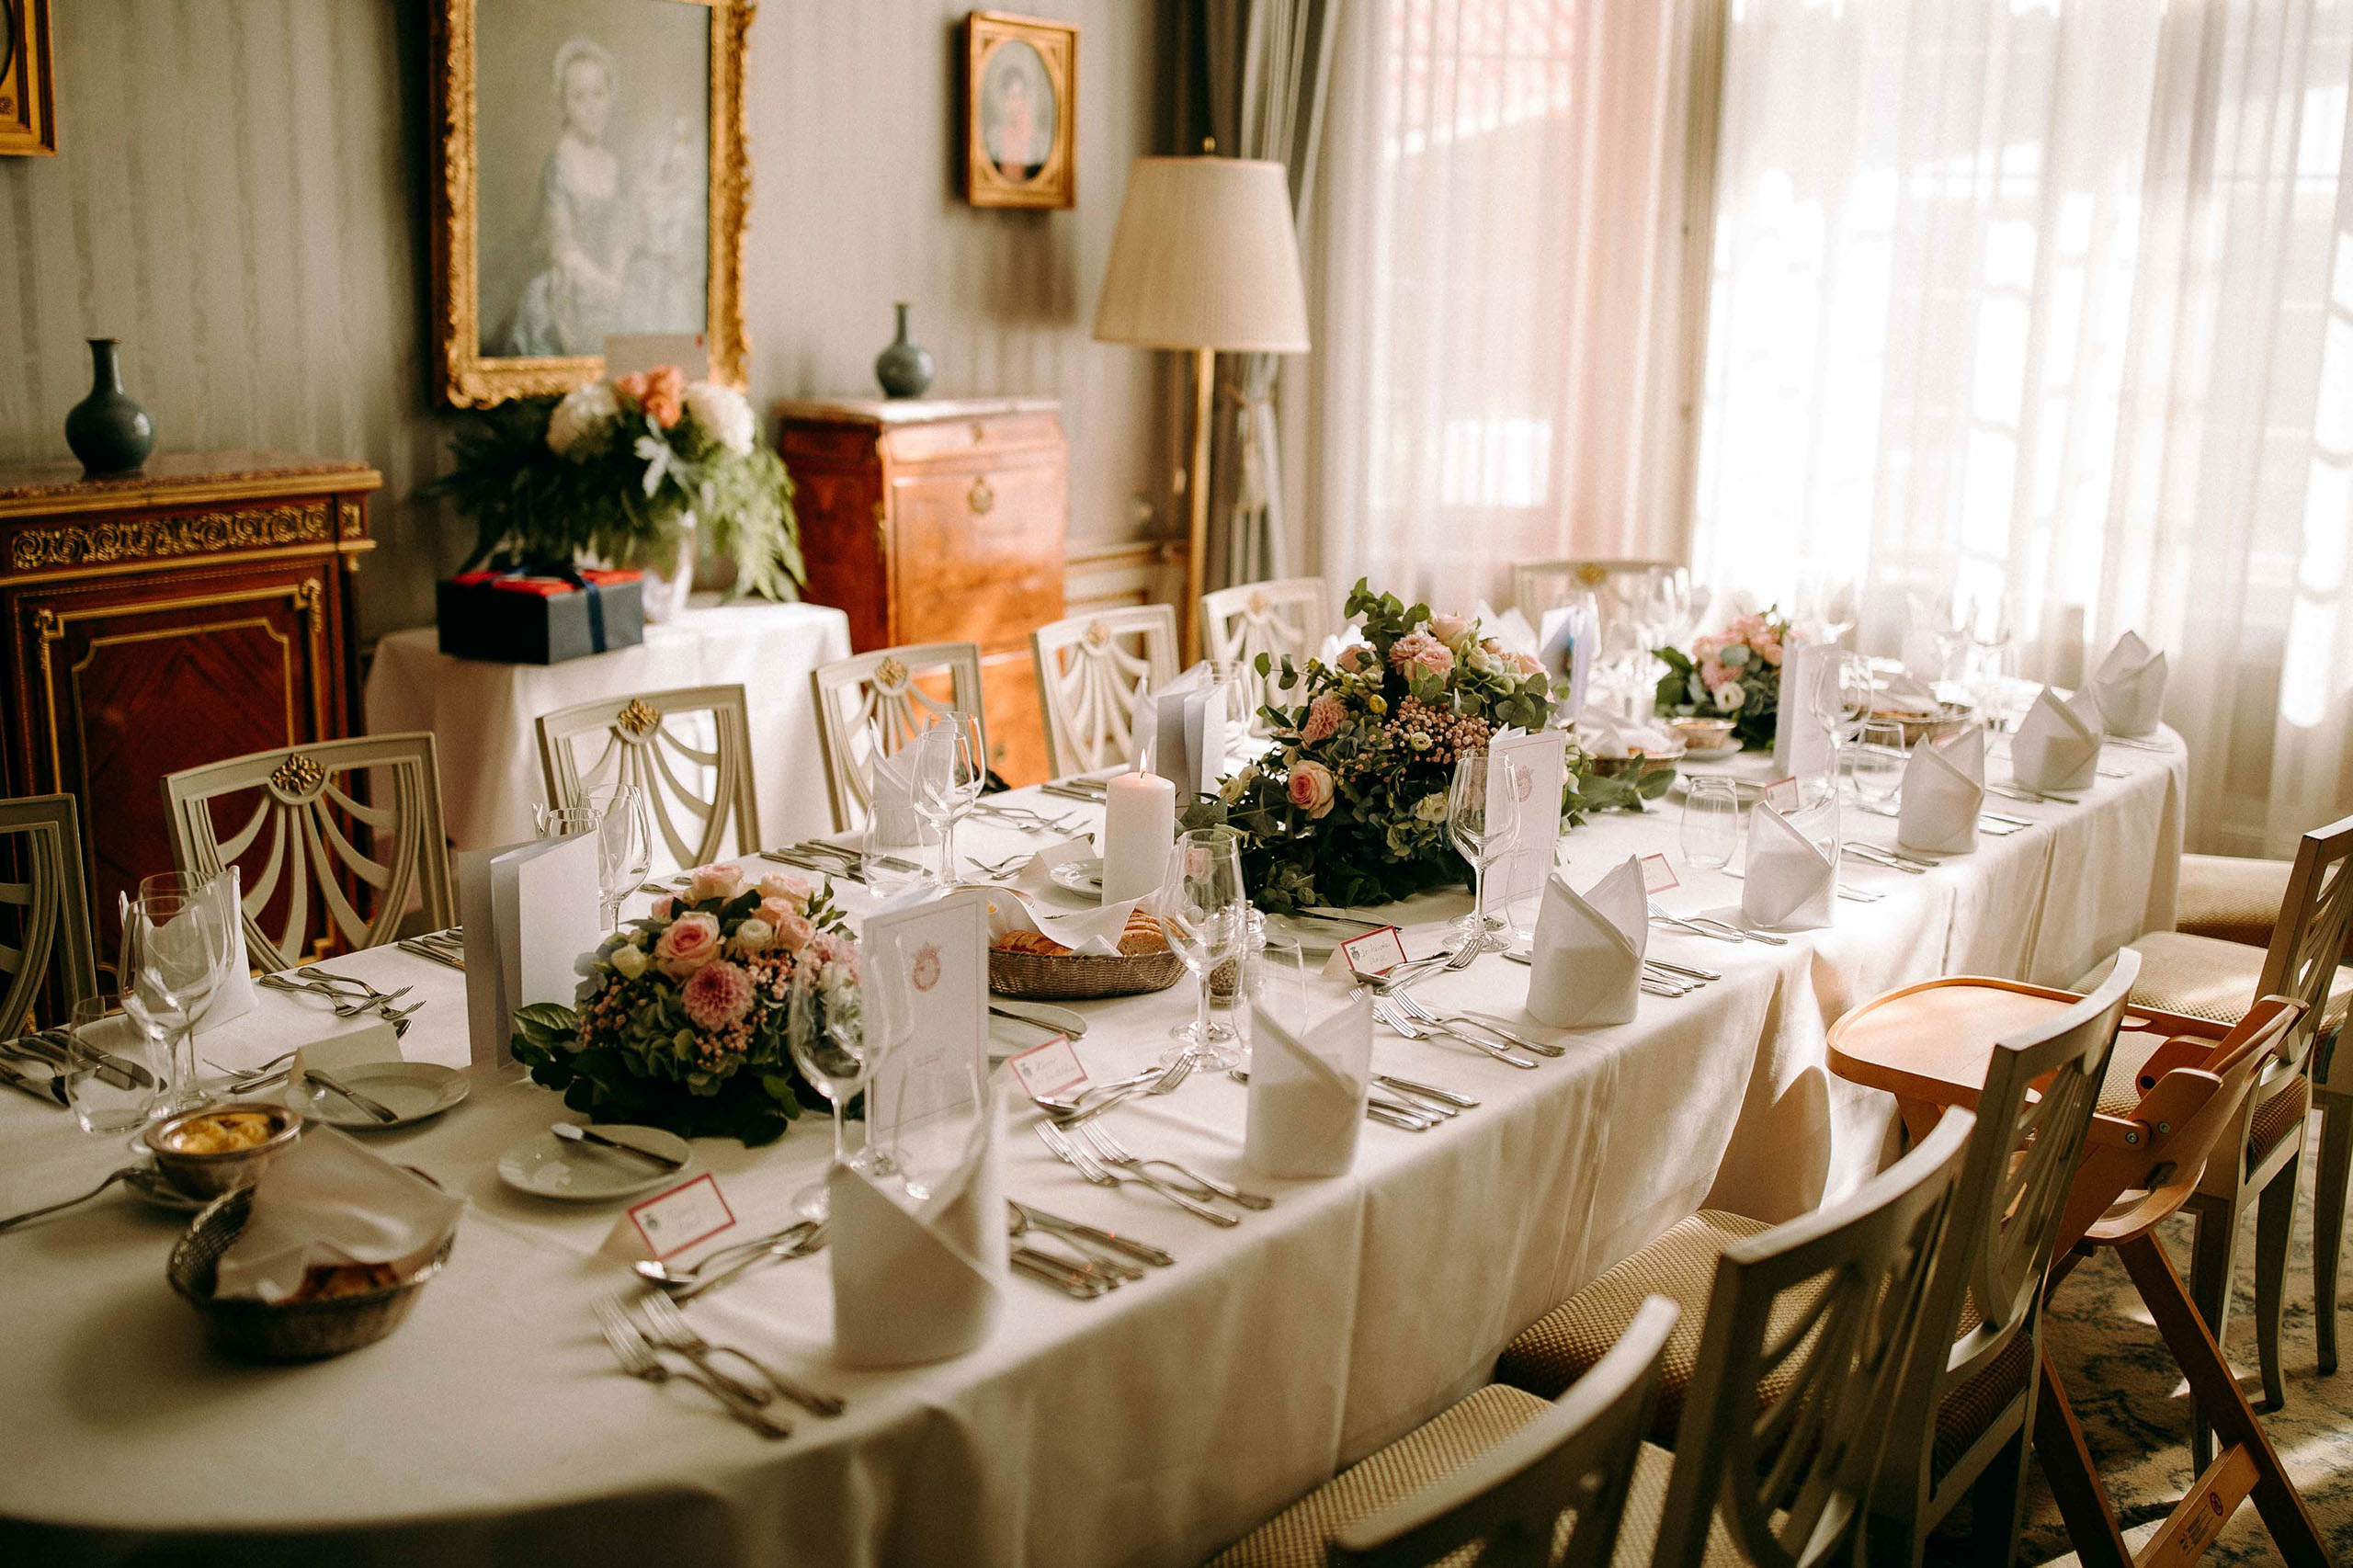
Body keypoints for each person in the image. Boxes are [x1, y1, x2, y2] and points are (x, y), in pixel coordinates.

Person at [503, 38, 634, 357]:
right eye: (578, 97)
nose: (591, 106)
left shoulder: (613, 165)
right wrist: (603, 284)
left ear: (611, 97)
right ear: (562, 104)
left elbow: (621, 232)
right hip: (570, 287)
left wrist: (616, 278)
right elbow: (563, 247)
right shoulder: (561, 162)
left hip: (611, 287)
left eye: (599, 94)